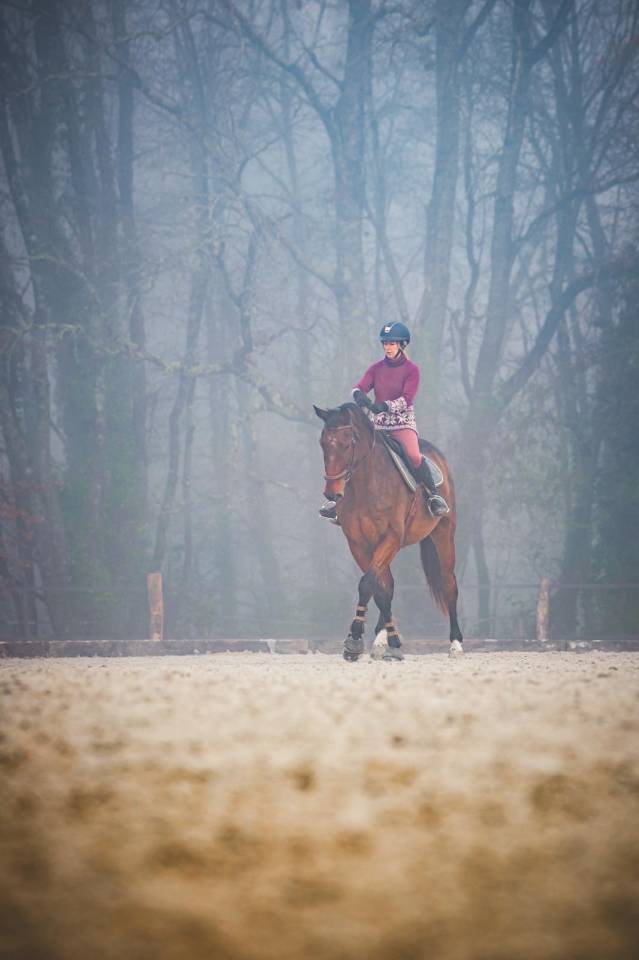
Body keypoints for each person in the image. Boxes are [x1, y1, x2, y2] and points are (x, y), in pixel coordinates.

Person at [319, 321, 449, 520]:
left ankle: (434, 496)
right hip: (377, 426)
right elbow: (359, 386)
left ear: (402, 345)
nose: (388, 347)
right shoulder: (376, 368)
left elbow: (407, 398)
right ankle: (339, 503)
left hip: (402, 424)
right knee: (354, 453)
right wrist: (359, 395)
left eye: (392, 343)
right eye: (385, 343)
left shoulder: (412, 370)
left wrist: (387, 405)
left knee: (414, 456)